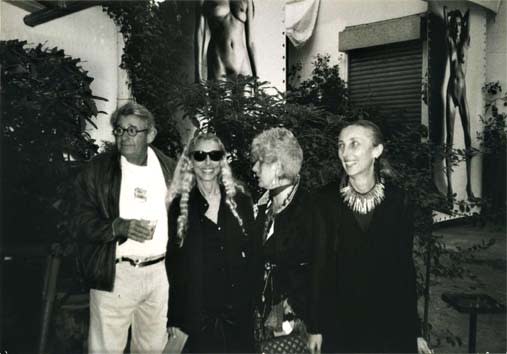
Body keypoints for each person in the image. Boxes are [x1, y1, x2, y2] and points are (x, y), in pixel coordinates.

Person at [314, 120, 432, 353]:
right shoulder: (324, 200)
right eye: (341, 145)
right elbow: (319, 265)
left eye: (354, 144)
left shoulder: (398, 201)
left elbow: (404, 269)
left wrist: (414, 331)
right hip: (341, 325)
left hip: (388, 324)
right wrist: (315, 326)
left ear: (376, 151)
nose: (345, 153)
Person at [72, 102, 176, 354]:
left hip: (160, 275)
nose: (124, 137)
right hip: (115, 273)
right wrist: (115, 227)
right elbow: (77, 220)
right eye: (120, 130)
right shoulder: (97, 170)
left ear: (150, 134)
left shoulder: (169, 168)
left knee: (153, 349)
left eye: (132, 130)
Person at [166, 132, 255, 353]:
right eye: (200, 155)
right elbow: (174, 266)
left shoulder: (240, 201)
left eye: (214, 155)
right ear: (191, 161)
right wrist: (175, 318)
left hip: (237, 313)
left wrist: (252, 300)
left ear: (222, 160)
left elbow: (254, 255)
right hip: (199, 316)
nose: (207, 163)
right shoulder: (180, 207)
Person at [250, 127, 324, 354]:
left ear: (278, 167)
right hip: (262, 314)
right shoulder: (261, 205)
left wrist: (315, 326)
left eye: (260, 162)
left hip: (295, 317)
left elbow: (321, 271)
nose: (254, 168)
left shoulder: (310, 210)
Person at [443, 6, 474, 200]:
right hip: (450, 92)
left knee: (469, 137)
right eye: (454, 24)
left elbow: (468, 21)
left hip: (462, 92)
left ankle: (470, 189)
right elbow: (447, 22)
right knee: (449, 139)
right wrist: (449, 16)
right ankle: (449, 192)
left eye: (459, 24)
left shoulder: (465, 41)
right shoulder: (450, 40)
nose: (457, 27)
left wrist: (464, 16)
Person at [195, 0, 257, 82]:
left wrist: (256, 76)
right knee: (217, 93)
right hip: (218, 61)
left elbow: (250, 42)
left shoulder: (247, 1)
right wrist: (198, 74)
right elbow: (200, 34)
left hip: (242, 63)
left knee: (247, 93)